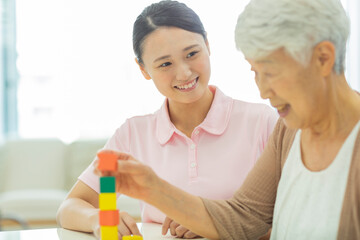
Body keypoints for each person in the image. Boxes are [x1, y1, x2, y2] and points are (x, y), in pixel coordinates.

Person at [90, 0, 360, 239]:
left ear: (323, 58)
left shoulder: (271, 123)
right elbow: (245, 217)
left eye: (271, 73)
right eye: (255, 72)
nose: (263, 92)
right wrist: (152, 188)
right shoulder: (288, 131)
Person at [56, 0, 278, 239]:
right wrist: (100, 218)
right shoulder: (133, 134)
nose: (184, 73)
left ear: (208, 45)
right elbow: (70, 207)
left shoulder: (262, 123)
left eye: (192, 54)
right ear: (143, 70)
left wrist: (213, 222)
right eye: (165, 64)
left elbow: (293, 217)